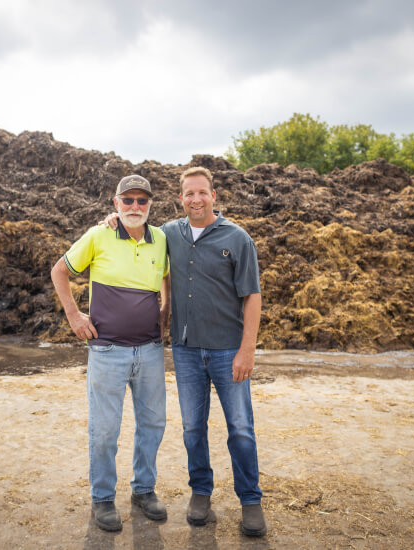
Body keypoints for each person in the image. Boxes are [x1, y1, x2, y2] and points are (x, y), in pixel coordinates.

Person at [103, 166, 265, 536]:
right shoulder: (169, 234)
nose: (195, 199)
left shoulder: (237, 238)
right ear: (181, 198)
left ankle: (250, 501)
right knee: (193, 428)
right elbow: (138, 235)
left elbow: (252, 296)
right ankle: (201, 494)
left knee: (240, 428)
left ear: (213, 195)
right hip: (187, 350)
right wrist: (113, 219)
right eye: (188, 193)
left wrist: (248, 349)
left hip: (228, 350)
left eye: (202, 193)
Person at [50, 175, 170, 532]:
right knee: (104, 430)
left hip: (149, 350)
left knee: (152, 425)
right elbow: (60, 270)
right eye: (128, 200)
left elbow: (167, 277)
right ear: (116, 203)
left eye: (142, 201)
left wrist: (165, 309)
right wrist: (73, 314)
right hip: (107, 351)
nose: (135, 207)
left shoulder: (161, 238)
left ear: (150, 205)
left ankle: (143, 491)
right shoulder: (98, 235)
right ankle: (102, 498)